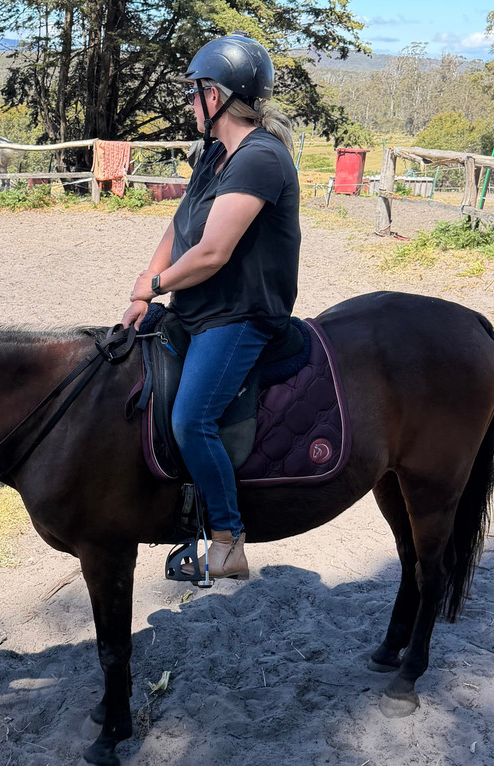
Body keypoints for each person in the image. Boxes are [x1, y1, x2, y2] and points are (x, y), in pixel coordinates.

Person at [121, 33, 301, 580]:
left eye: (193, 92)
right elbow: (179, 230)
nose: (189, 103)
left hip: (240, 315)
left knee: (191, 418)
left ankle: (227, 539)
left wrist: (156, 285)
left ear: (216, 96)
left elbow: (213, 252)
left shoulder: (260, 158)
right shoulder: (215, 155)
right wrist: (142, 289)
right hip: (197, 307)